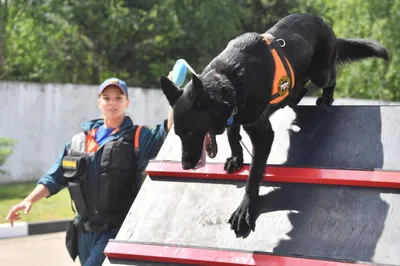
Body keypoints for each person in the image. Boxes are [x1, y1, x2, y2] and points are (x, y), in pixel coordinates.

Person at [6, 75, 174, 266]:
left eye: (118, 98)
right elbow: (54, 177)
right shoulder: (79, 141)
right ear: (99, 102)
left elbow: (167, 132)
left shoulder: (137, 137)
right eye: (107, 98)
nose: (112, 103)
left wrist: (173, 98)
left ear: (127, 102)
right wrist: (28, 201)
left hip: (115, 231)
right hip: (84, 233)